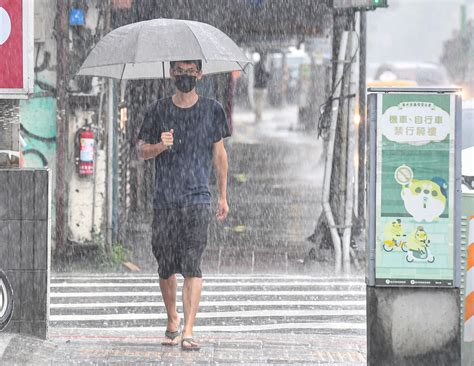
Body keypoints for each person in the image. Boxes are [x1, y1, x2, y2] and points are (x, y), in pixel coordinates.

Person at [137, 60, 230, 351]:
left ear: (200, 74)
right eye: (179, 70)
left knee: (192, 264)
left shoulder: (212, 109)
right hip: (165, 200)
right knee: (165, 266)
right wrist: (160, 146)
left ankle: (189, 330)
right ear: (170, 73)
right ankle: (172, 317)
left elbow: (220, 154)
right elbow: (141, 151)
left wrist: (223, 195)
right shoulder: (158, 110)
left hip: (197, 198)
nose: (185, 76)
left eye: (190, 71)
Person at [253, 57, 270, 122]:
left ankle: (257, 114)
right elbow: (267, 75)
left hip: (256, 87)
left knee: (257, 101)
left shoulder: (256, 66)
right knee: (260, 102)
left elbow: (255, 75)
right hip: (262, 87)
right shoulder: (264, 66)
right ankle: (259, 115)